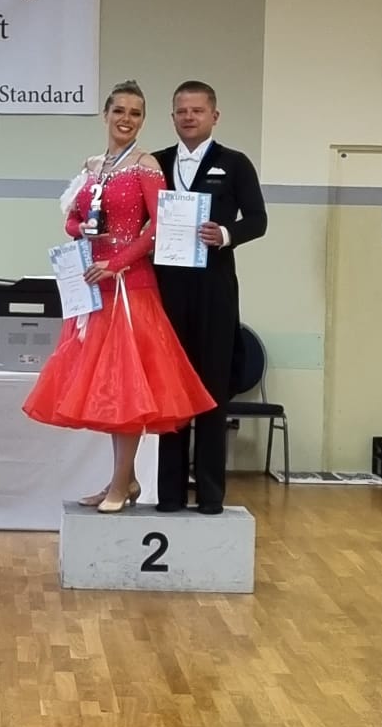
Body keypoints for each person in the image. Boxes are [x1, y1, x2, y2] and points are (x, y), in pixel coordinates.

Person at [23, 80, 215, 512]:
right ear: (105, 114)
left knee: (126, 390)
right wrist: (84, 230)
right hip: (95, 286)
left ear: (143, 120)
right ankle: (122, 481)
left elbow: (160, 226)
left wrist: (119, 261)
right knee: (109, 391)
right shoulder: (93, 165)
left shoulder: (146, 165)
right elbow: (71, 219)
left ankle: (120, 484)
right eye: (120, 111)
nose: (126, 119)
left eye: (135, 113)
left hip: (131, 288)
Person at [153, 81, 268, 513]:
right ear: (173, 117)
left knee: (212, 390)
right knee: (171, 390)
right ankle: (168, 494)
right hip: (166, 289)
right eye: (181, 111)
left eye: (197, 110)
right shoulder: (156, 163)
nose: (189, 117)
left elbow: (257, 219)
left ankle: (211, 495)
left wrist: (226, 233)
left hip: (215, 289)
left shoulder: (235, 163)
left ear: (214, 116)